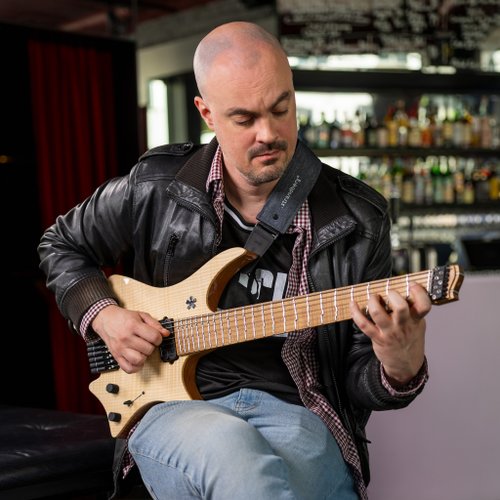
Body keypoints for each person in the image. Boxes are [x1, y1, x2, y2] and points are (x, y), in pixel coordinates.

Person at [38, 21, 431, 500]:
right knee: (233, 453)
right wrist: (105, 316)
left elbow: (358, 378)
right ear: (207, 113)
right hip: (172, 406)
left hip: (298, 413)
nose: (269, 133)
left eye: (281, 109)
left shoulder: (358, 218)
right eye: (244, 119)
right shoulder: (155, 186)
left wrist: (399, 367)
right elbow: (61, 244)